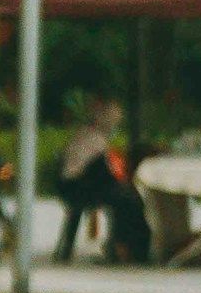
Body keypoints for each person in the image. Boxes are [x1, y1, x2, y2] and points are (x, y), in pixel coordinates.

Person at [54, 98, 150, 265]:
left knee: (128, 196)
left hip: (79, 185)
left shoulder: (89, 135)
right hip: (79, 187)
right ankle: (122, 248)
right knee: (128, 200)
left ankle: (122, 247)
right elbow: (99, 172)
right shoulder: (93, 138)